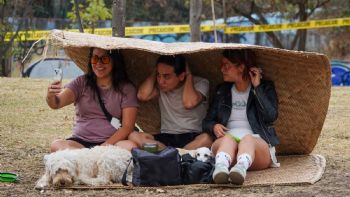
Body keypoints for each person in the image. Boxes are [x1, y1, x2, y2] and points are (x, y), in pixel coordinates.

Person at [202, 49, 280, 185]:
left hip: (257, 146)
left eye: (226, 65)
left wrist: (257, 88)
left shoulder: (265, 87)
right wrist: (213, 126)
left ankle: (240, 169)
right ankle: (220, 168)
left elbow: (271, 116)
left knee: (247, 139)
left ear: (241, 67)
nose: (222, 69)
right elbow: (207, 121)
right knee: (228, 139)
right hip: (226, 146)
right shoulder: (222, 90)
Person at [46, 48, 139, 152]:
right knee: (56, 145)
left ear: (114, 61)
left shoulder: (127, 88)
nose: (99, 63)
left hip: (112, 144)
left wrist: (103, 147)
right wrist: (50, 95)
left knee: (130, 146)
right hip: (80, 143)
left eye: (104, 59)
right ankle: (89, 159)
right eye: (95, 59)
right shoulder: (81, 82)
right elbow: (56, 103)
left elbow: (127, 127)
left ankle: (85, 160)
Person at [128, 55, 212, 150]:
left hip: (193, 137)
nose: (161, 81)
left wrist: (189, 76)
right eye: (159, 75)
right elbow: (142, 96)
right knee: (134, 136)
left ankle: (173, 155)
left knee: (207, 139)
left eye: (166, 76)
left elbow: (189, 103)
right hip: (165, 138)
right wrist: (156, 72)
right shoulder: (161, 87)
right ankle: (173, 155)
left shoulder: (201, 83)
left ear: (181, 76)